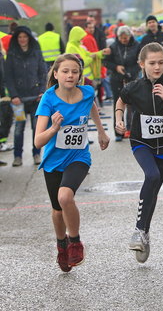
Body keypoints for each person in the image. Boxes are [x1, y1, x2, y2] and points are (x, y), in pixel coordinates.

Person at [115, 42, 163, 263]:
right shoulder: (134, 87)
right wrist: (119, 119)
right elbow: (121, 99)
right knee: (152, 176)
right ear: (142, 64)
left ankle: (144, 234)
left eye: (160, 62)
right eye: (152, 63)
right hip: (141, 141)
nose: (157, 67)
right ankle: (139, 230)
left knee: (154, 188)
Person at [33, 54, 110, 272]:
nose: (70, 75)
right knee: (57, 210)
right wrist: (54, 128)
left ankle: (75, 241)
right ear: (56, 74)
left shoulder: (87, 92)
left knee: (65, 196)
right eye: (65, 71)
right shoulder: (48, 99)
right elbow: (38, 140)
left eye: (75, 71)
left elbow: (91, 106)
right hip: (53, 161)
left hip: (78, 156)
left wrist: (102, 132)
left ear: (80, 75)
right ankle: (61, 244)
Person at [4, 26, 48, 167]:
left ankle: (36, 154)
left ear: (29, 38)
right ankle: (18, 156)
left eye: (25, 36)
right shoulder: (11, 55)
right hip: (18, 99)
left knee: (37, 127)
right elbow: (8, 77)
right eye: (20, 37)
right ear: (17, 39)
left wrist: (42, 91)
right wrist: (13, 95)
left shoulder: (36, 52)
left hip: (36, 97)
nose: (22, 39)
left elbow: (43, 73)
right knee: (19, 128)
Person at [103, 25, 139, 142]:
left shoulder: (137, 45)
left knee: (133, 104)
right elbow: (106, 61)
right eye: (122, 38)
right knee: (118, 104)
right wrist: (116, 67)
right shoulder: (113, 46)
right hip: (117, 78)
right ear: (118, 37)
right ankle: (119, 132)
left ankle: (133, 129)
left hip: (132, 77)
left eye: (126, 37)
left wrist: (130, 71)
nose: (124, 40)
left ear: (130, 36)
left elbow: (140, 62)